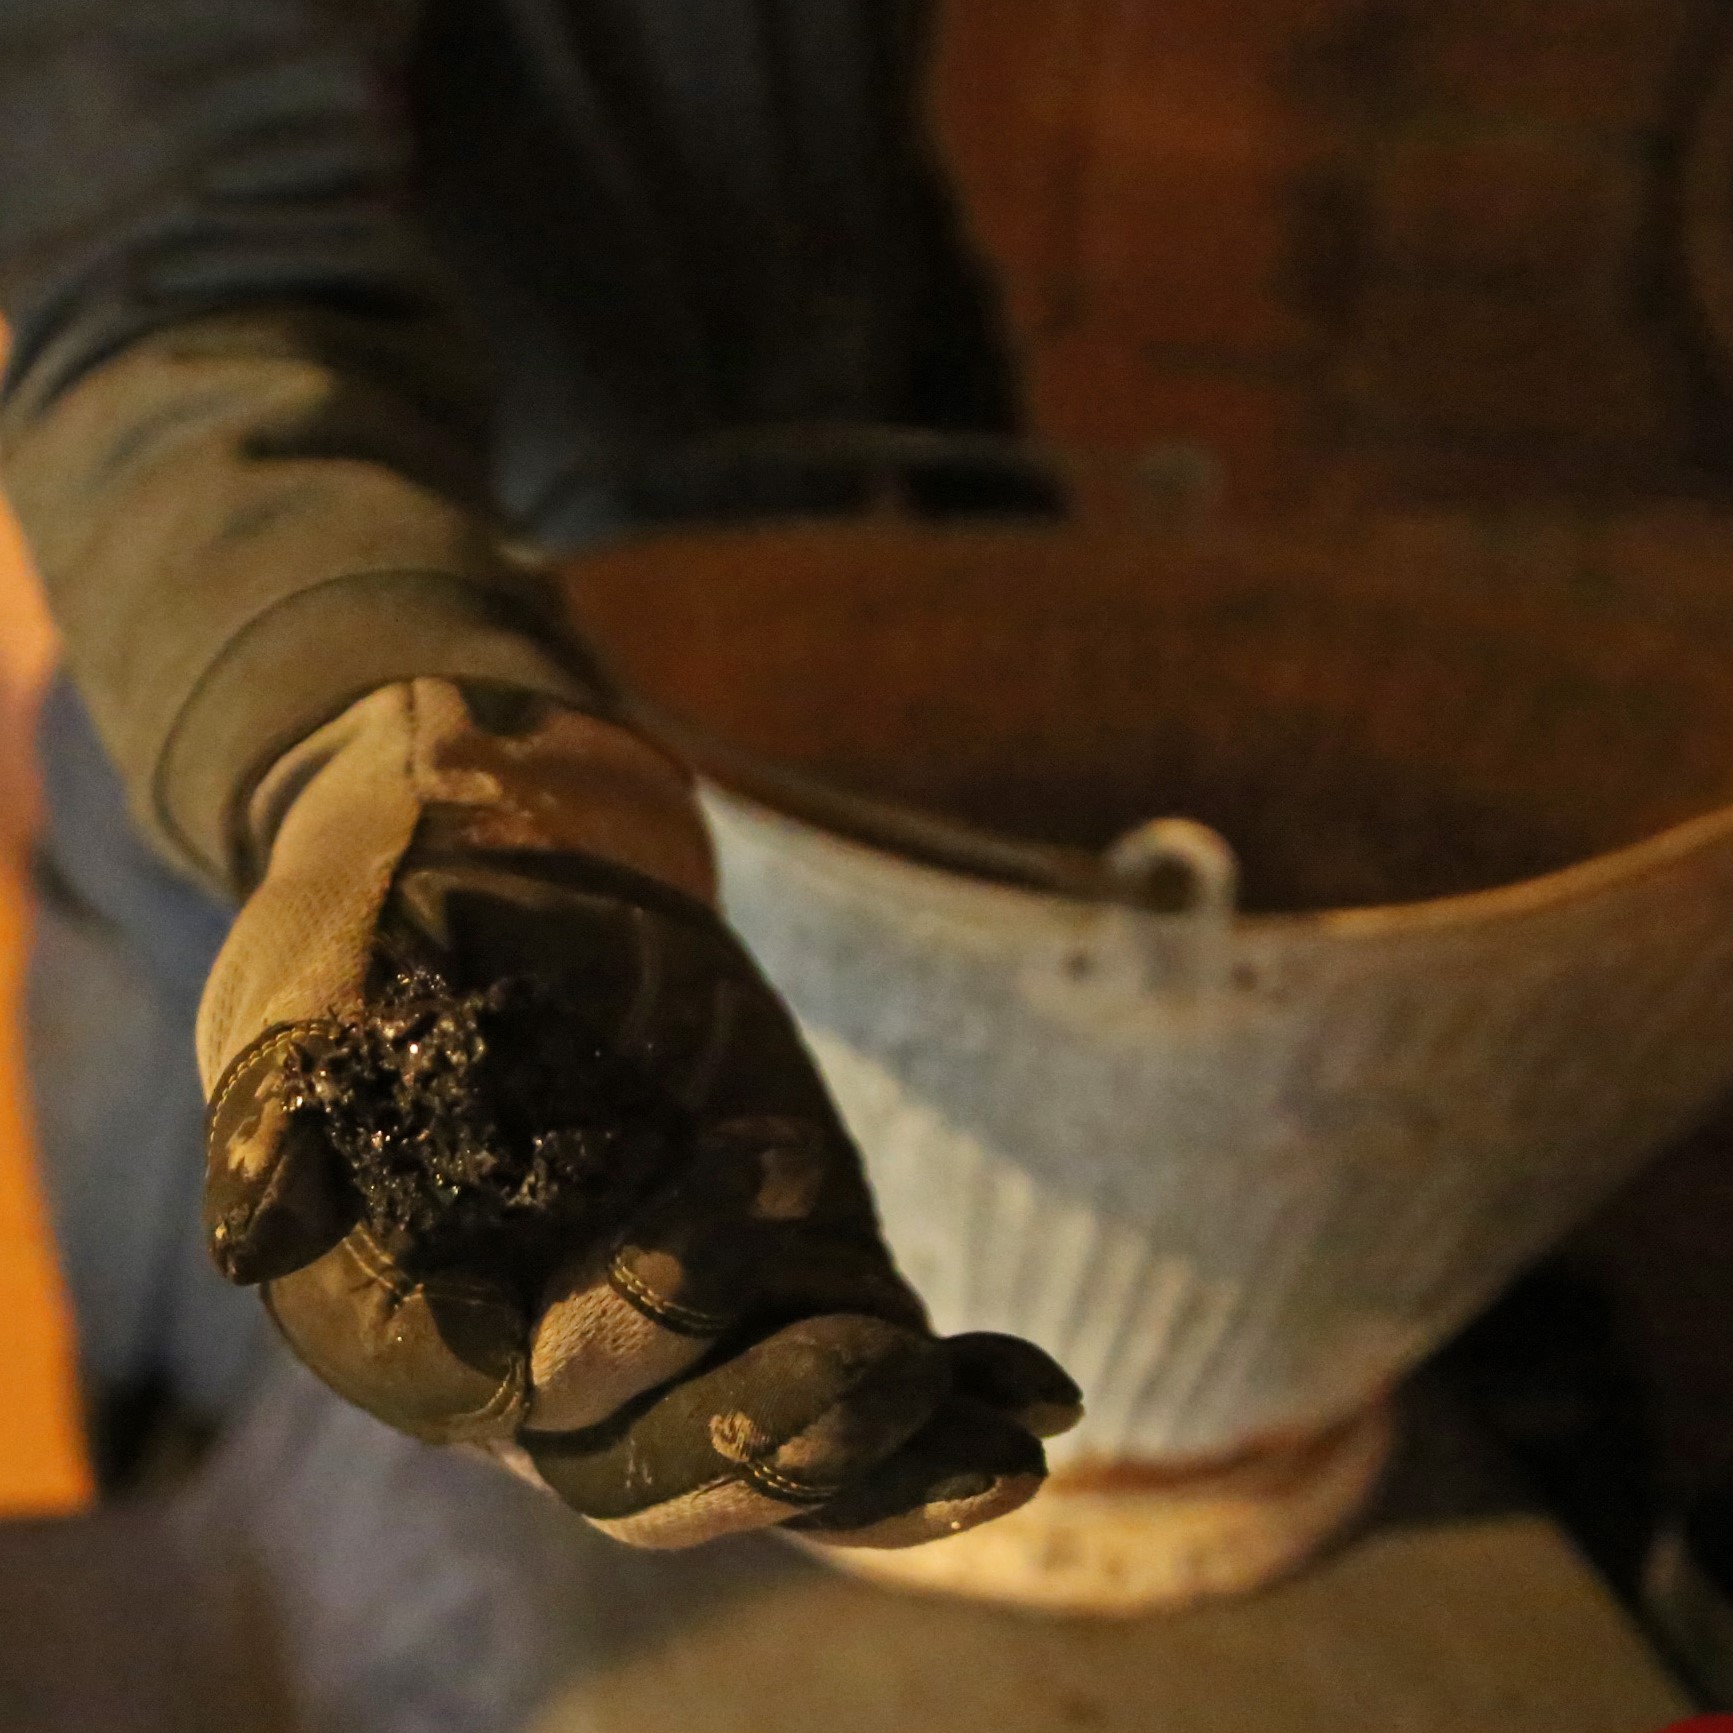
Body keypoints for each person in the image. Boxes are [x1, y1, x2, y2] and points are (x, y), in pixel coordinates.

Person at [0, 0, 1082, 1696]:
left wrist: (995, 582)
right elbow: (175, 292)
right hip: (321, 823)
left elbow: (839, 222)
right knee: (310, 1566)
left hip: (745, 797)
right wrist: (409, 741)